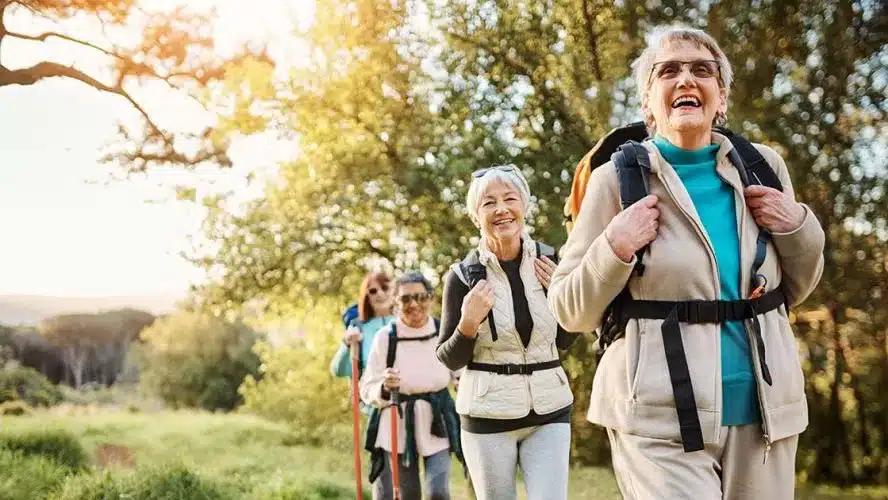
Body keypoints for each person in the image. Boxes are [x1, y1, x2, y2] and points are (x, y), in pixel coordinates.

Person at [548, 25, 825, 499]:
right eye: (668, 70)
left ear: (722, 96)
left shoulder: (763, 167)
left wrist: (798, 225)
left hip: (765, 413)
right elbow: (569, 311)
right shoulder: (616, 180)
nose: (686, 79)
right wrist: (613, 247)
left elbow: (797, 288)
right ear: (648, 101)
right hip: (657, 419)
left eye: (702, 70)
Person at [436, 165, 579, 500]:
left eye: (509, 199)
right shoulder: (461, 277)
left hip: (550, 411)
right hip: (487, 417)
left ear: (524, 206)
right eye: (489, 203)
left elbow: (565, 340)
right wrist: (468, 322)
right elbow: (449, 358)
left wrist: (562, 299)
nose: (501, 209)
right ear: (476, 217)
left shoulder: (551, 261)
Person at [360, 271, 462, 500]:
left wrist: (461, 383)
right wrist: (385, 386)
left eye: (421, 297)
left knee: (438, 492)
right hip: (398, 424)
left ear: (431, 298)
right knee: (409, 495)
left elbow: (460, 372)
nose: (414, 304)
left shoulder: (444, 331)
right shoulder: (386, 337)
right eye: (406, 299)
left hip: (438, 422)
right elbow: (366, 388)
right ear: (396, 302)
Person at [330, 272, 394, 378]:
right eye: (373, 291)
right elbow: (338, 371)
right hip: (369, 386)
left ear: (394, 290)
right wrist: (347, 345)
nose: (379, 293)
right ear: (367, 296)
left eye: (385, 288)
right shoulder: (358, 327)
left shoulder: (406, 323)